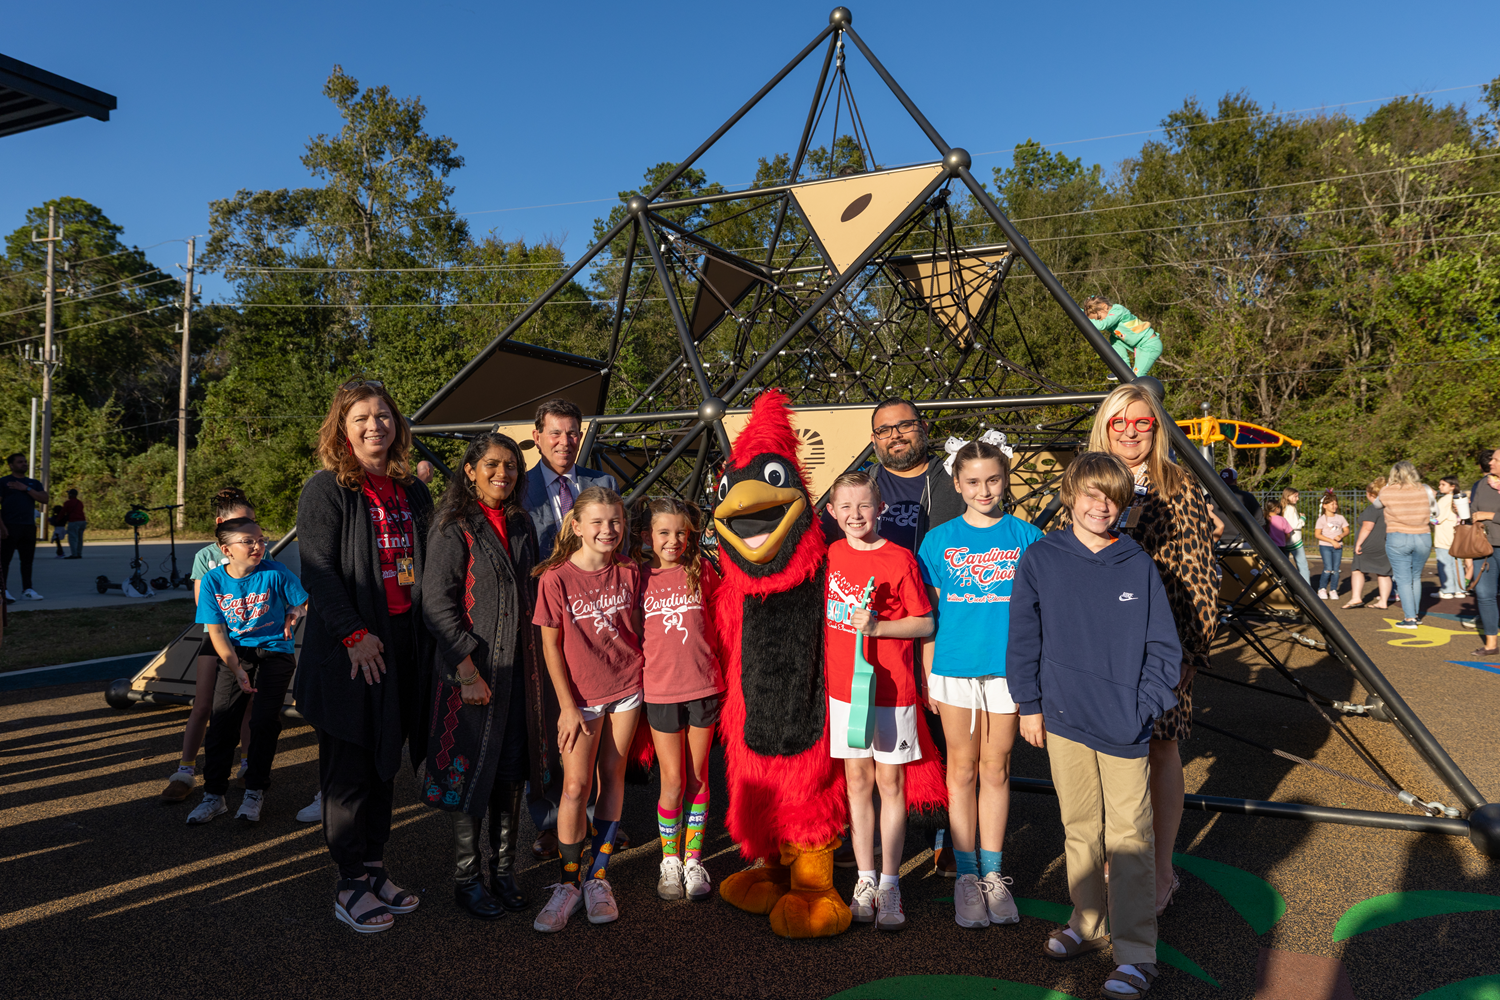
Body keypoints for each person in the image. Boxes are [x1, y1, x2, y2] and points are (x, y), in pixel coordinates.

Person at [1010, 451, 1180, 999]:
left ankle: (1136, 953)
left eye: (1111, 497)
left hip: (1124, 724)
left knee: (1130, 837)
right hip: (1061, 718)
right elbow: (1024, 638)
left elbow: (1163, 648)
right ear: (1070, 495)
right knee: (1080, 826)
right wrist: (1029, 704)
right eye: (1090, 494)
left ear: (1123, 504)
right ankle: (1087, 921)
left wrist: (1144, 705)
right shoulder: (1041, 558)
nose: (1100, 506)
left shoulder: (1137, 563)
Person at [1056, 384, 1218, 917]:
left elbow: (1197, 573)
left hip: (1157, 642)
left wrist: (1192, 650)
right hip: (1096, 646)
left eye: (1141, 423)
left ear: (1157, 428)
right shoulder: (1086, 479)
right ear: (1106, 425)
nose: (1130, 431)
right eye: (1120, 422)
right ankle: (1114, 864)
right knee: (1101, 756)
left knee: (1159, 748)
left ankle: (1160, 870)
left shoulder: (1177, 485)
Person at [296, 378, 432, 934]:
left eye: (383, 415)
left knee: (385, 763)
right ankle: (349, 882)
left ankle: (374, 868)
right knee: (350, 766)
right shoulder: (327, 489)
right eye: (362, 418)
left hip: (401, 645)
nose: (375, 425)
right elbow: (318, 571)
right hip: (352, 650)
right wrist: (355, 634)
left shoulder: (411, 491)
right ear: (342, 429)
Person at [818, 398, 963, 876]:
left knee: (937, 740)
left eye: (904, 426)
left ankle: (941, 834)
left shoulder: (947, 481)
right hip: (854, 670)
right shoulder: (862, 490)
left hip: (933, 625)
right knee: (861, 772)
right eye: (884, 430)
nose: (895, 435)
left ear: (922, 428)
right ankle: (865, 857)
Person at [917, 436, 1041, 929]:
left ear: (1004, 478)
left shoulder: (1027, 536)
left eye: (992, 479)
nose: (984, 489)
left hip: (1008, 670)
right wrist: (929, 673)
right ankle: (966, 877)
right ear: (957, 484)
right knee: (962, 771)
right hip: (952, 669)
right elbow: (928, 615)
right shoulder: (938, 540)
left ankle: (993, 874)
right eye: (973, 481)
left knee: (997, 769)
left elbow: (1038, 614)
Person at [422, 432, 540, 919]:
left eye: (511, 466)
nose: (502, 474)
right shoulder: (453, 524)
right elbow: (436, 603)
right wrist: (466, 669)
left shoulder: (520, 522)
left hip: (516, 674)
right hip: (472, 673)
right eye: (492, 464)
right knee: (469, 775)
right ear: (470, 469)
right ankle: (467, 880)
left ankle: (504, 873)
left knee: (510, 775)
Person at [823, 472, 934, 931]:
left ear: (880, 507)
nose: (854, 515)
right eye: (845, 507)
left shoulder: (899, 558)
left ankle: (891, 884)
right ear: (831, 513)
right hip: (843, 692)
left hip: (892, 691)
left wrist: (879, 628)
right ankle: (864, 878)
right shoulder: (828, 556)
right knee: (856, 783)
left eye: (863, 506)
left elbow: (924, 624)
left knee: (891, 786)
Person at [530, 486, 644, 933]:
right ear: (576, 526)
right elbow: (550, 647)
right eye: (597, 521)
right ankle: (568, 883)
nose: (607, 530)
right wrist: (566, 706)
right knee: (575, 788)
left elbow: (635, 628)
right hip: (581, 699)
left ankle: (598, 877)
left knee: (613, 777)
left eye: (615, 521)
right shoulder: (555, 578)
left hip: (628, 688)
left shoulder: (631, 571)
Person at [521, 398, 619, 858]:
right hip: (542, 620)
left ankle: (597, 817)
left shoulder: (602, 483)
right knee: (549, 724)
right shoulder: (520, 489)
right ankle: (548, 820)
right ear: (537, 437)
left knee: (597, 728)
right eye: (555, 433)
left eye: (572, 432)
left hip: (597, 625)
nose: (565, 441)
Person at [185, 518, 307, 826]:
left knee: (264, 720)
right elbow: (216, 632)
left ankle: (254, 791)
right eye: (248, 541)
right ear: (226, 549)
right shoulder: (213, 580)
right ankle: (214, 796)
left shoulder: (275, 572)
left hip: (275, 654)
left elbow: (304, 600)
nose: (258, 545)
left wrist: (296, 611)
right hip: (236, 655)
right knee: (223, 720)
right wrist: (236, 668)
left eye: (261, 540)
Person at [633, 496, 723, 904]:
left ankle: (693, 859)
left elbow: (723, 620)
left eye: (681, 533)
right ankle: (669, 860)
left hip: (704, 687)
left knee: (700, 777)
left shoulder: (701, 569)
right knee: (673, 780)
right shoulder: (637, 576)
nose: (673, 540)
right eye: (664, 532)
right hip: (661, 692)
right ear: (647, 536)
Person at [159, 488, 259, 804]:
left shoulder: (259, 553)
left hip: (249, 639)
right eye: (240, 522)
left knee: (247, 706)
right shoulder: (206, 557)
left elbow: (266, 591)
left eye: (252, 522)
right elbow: (203, 605)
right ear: (220, 524)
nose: (249, 531)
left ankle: (247, 764)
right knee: (203, 705)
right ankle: (185, 770)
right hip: (216, 638)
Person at [1379, 461, 1433, 629]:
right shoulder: (1425, 489)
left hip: (1398, 536)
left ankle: (1409, 619)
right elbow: (1435, 510)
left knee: (1403, 579)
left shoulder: (1387, 491)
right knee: (1415, 577)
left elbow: (1376, 505)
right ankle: (1415, 616)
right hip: (1423, 536)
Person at [0, 452, 47, 600]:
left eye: (25, 462)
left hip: (28, 526)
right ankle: (3, 591)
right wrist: (1, 527)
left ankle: (28, 589)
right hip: (9, 526)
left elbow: (44, 499)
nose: (24, 464)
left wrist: (25, 488)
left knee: (27, 561)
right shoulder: (3, 482)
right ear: (11, 465)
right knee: (4, 561)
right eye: (20, 462)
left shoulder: (33, 483)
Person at [1468, 448, 1500, 657]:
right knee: (1484, 594)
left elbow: (1483, 513)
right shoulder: (1481, 484)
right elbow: (1473, 512)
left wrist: (1489, 515)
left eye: (1496, 460)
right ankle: (1491, 644)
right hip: (1484, 546)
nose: (1491, 463)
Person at [1084, 296, 1163, 377]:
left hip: (1150, 345)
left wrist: (1084, 319)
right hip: (1139, 346)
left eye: (1099, 318)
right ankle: (1124, 367)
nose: (1100, 321)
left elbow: (1102, 325)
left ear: (1104, 306)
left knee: (1136, 376)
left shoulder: (1118, 310)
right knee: (1114, 337)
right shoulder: (1110, 317)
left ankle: (1140, 387)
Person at [1346, 479, 1393, 610]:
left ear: (1371, 494)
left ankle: (1356, 598)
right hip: (1385, 543)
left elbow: (1367, 527)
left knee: (1358, 569)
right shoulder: (1389, 508)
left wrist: (1358, 544)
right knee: (1383, 573)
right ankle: (1383, 601)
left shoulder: (1373, 509)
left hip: (1370, 544)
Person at [1433, 477, 1467, 599]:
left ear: (1452, 486)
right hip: (1455, 536)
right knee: (1456, 563)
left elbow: (1436, 519)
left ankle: (1447, 590)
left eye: (1443, 484)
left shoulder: (1444, 500)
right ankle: (1460, 589)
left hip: (1443, 537)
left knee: (1444, 563)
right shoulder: (1458, 498)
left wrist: (1427, 517)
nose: (1440, 486)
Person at [1314, 491, 1349, 600]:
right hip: (1326, 547)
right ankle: (1322, 588)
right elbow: (1317, 534)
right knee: (1328, 568)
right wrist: (1331, 541)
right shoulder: (1321, 519)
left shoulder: (1340, 518)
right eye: (1331, 504)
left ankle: (1333, 590)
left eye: (1335, 504)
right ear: (1324, 506)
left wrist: (1341, 535)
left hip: (1338, 547)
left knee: (1336, 569)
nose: (1334, 506)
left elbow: (1346, 530)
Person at [1281, 488, 1310, 583]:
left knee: (1283, 566)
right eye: (1295, 496)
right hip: (1295, 541)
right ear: (1288, 496)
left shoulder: (1282, 508)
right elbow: (1294, 525)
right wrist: (1302, 519)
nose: (1297, 499)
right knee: (1303, 566)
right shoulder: (1291, 508)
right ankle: (1307, 588)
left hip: (1284, 541)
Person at [62, 488, 86, 558]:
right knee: (79, 538)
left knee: (72, 538)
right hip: (82, 521)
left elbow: (63, 512)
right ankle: (79, 553)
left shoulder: (68, 503)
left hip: (74, 521)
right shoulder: (80, 502)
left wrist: (58, 520)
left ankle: (74, 554)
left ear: (71, 495)